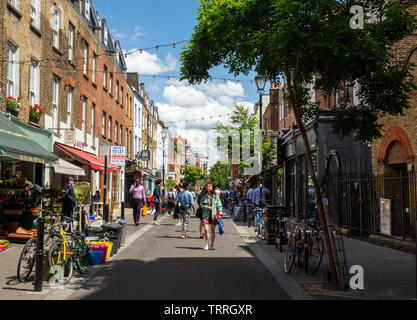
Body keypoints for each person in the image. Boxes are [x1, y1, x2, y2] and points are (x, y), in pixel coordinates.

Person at [199, 183, 223, 250]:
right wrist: (206, 206)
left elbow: (219, 205)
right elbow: (200, 204)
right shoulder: (204, 196)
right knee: (206, 230)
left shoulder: (216, 196)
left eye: (209, 186)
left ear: (212, 187)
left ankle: (212, 244)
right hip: (205, 215)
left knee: (213, 230)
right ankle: (207, 244)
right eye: (207, 186)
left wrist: (220, 214)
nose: (208, 187)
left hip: (214, 215)